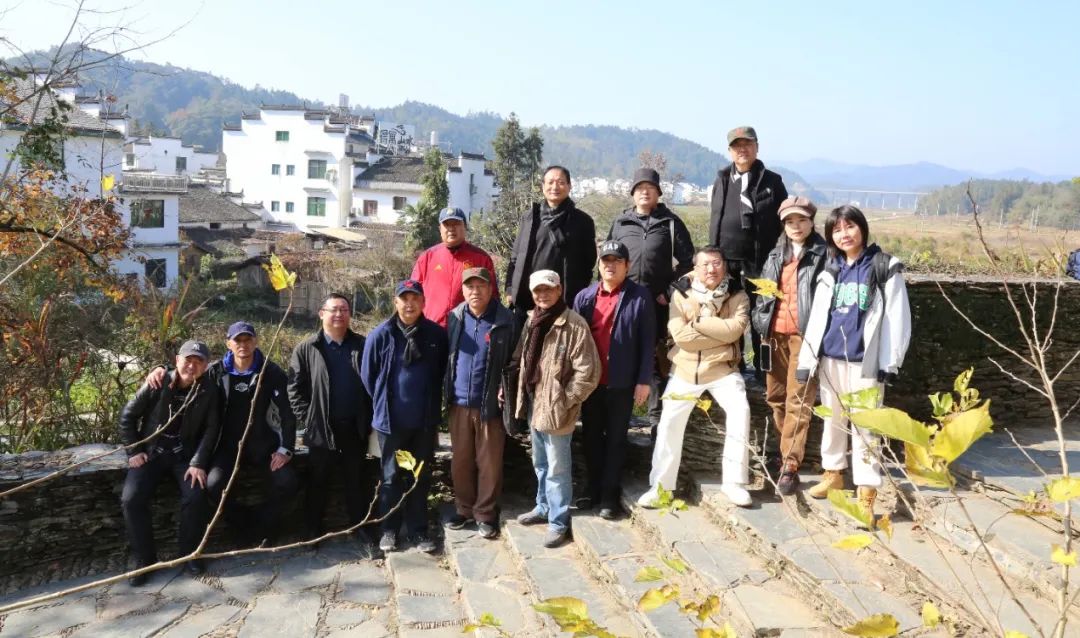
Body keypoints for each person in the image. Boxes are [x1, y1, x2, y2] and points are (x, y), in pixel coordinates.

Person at [797, 205, 911, 517]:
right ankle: (833, 475)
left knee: (866, 427)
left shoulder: (884, 267)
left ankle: (866, 492)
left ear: (862, 228)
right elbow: (819, 318)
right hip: (830, 359)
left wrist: (891, 362)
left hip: (865, 362)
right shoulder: (831, 270)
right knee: (832, 420)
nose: (844, 235)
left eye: (850, 227)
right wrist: (808, 359)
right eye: (836, 230)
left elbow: (898, 318)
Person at [146, 322, 298, 545]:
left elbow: (287, 413)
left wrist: (285, 449)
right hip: (224, 446)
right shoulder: (216, 371)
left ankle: (261, 525)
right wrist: (159, 368)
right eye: (238, 340)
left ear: (256, 342)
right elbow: (186, 374)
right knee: (213, 486)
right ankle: (243, 523)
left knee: (288, 482)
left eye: (248, 340)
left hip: (262, 444)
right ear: (229, 343)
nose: (243, 344)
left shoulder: (271, 372)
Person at [637, 247, 754, 508]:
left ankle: (734, 483)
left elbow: (734, 331)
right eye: (705, 265)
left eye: (716, 264)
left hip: (723, 369)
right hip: (685, 370)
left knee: (740, 412)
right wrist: (716, 332)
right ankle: (661, 488)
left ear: (724, 265)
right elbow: (681, 337)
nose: (711, 269)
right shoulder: (680, 292)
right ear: (695, 268)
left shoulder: (738, 293)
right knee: (668, 423)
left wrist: (698, 321)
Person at [119, 340, 220, 586]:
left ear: (206, 366)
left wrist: (198, 462)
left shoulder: (210, 390)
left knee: (196, 496)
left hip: (184, 456)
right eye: (188, 359)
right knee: (131, 499)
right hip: (151, 453)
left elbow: (211, 430)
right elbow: (127, 417)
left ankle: (190, 554)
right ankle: (145, 560)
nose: (192, 366)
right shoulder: (157, 382)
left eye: (199, 361)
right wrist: (134, 450)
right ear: (177, 360)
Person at [514, 270, 600, 547]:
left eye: (548, 289)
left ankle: (558, 522)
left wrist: (566, 401)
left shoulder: (574, 324)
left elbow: (588, 371)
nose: (543, 295)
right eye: (538, 290)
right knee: (540, 463)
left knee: (557, 468)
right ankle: (543, 507)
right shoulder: (533, 320)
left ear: (559, 290)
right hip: (534, 402)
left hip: (557, 409)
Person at [361, 279, 448, 553]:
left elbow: (441, 372)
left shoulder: (435, 335)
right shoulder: (381, 335)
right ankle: (389, 530)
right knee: (390, 477)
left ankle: (418, 531)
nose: (409, 303)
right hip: (390, 423)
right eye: (404, 298)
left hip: (422, 423)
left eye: (415, 298)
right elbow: (368, 376)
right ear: (395, 302)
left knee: (419, 477)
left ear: (423, 302)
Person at [606, 167, 694, 431]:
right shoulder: (621, 223)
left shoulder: (670, 222)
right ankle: (621, 417)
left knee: (655, 358)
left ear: (658, 193)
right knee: (620, 353)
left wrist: (668, 292)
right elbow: (607, 260)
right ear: (633, 193)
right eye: (640, 188)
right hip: (624, 300)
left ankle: (656, 419)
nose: (645, 192)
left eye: (650, 188)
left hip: (656, 303)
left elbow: (689, 263)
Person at [572, 240, 655, 519]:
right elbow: (575, 341)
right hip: (590, 382)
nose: (610, 265)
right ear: (599, 264)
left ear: (627, 266)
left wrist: (644, 380)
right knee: (591, 437)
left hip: (622, 381)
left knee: (617, 439)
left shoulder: (639, 296)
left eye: (616, 261)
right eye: (606, 260)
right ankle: (592, 488)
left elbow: (647, 342)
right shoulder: (584, 297)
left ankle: (609, 495)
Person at [751, 197, 828, 495]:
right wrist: (761, 324)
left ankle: (790, 465)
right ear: (783, 225)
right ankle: (787, 455)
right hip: (773, 338)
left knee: (800, 400)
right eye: (790, 221)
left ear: (811, 221)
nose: (796, 226)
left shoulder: (823, 255)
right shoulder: (775, 255)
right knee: (775, 397)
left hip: (803, 338)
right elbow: (763, 296)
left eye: (801, 220)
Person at [288, 293, 373, 542]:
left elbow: (374, 384)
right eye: (334, 309)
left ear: (350, 314)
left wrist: (368, 419)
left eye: (344, 310)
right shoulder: (307, 348)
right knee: (317, 481)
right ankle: (313, 531)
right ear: (321, 313)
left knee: (356, 481)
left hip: (354, 427)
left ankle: (361, 529)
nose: (339, 314)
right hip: (321, 429)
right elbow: (294, 388)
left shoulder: (362, 345)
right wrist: (309, 418)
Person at [443, 267, 519, 539]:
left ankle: (485, 513)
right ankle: (463, 509)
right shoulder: (455, 317)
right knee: (460, 461)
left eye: (481, 286)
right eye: (470, 287)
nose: (475, 292)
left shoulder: (505, 319)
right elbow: (448, 357)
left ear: (491, 289)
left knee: (489, 462)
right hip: (459, 403)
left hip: (490, 404)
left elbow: (514, 360)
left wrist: (505, 386)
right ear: (463, 290)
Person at [708, 126, 789, 373]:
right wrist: (712, 256)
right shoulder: (722, 178)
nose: (742, 149)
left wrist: (782, 256)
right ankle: (733, 366)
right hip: (727, 263)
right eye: (737, 146)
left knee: (762, 318)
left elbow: (785, 220)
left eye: (747, 144)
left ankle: (764, 372)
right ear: (730, 151)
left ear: (757, 147)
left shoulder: (772, 181)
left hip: (761, 263)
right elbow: (715, 219)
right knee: (728, 317)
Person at [504, 166, 598, 328]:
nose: (555, 187)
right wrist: (510, 289)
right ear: (543, 186)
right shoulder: (530, 217)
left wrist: (578, 295)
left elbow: (588, 263)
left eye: (561, 182)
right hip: (528, 299)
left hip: (564, 302)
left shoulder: (582, 222)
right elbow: (515, 257)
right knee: (524, 350)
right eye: (550, 182)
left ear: (569, 186)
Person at [410, 206, 498, 328]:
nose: (451, 229)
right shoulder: (427, 257)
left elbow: (492, 297)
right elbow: (413, 293)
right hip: (431, 329)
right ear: (440, 229)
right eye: (446, 225)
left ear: (465, 227)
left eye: (456, 224)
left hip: (467, 331)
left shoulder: (481, 258)